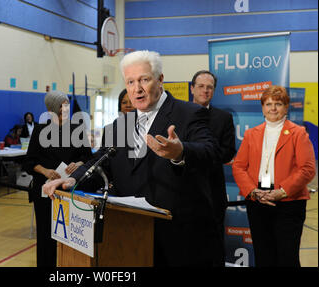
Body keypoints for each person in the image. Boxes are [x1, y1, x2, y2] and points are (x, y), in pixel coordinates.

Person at [43, 50, 221, 266]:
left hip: (181, 237)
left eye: (144, 79)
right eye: (130, 82)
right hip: (130, 235)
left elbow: (211, 153)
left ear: (160, 79)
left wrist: (180, 152)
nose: (137, 88)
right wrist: (72, 179)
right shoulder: (120, 125)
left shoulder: (189, 113)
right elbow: (101, 160)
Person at [232, 85, 316, 267]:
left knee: (287, 258)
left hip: (289, 203)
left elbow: (307, 168)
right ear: (262, 107)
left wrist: (283, 191)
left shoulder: (298, 133)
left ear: (286, 107)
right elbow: (239, 167)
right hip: (258, 202)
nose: (272, 108)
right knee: (264, 256)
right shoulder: (251, 134)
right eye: (268, 104)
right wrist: (252, 191)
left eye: (278, 104)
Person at [23, 91, 92, 267]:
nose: (65, 109)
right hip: (45, 190)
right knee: (46, 234)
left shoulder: (77, 129)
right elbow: (30, 162)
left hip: (70, 189)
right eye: (61, 106)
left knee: (70, 234)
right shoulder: (40, 130)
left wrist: (78, 163)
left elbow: (87, 156)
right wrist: (45, 171)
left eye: (66, 104)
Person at [191, 70, 236, 266]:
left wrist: (197, 153)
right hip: (182, 189)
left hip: (213, 191)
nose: (205, 90)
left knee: (214, 243)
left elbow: (227, 152)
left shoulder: (224, 118)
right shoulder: (177, 114)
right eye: (201, 86)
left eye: (210, 87)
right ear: (192, 88)